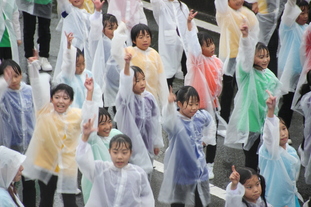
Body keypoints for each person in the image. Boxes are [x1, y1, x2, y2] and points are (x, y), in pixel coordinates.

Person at [22, 57, 96, 207]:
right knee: (46, 200)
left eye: (65, 98)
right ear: (51, 99)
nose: (61, 101)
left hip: (67, 164)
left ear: (70, 101)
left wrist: (89, 93)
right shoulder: (44, 111)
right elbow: (36, 88)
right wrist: (34, 68)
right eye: (57, 97)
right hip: (47, 162)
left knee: (69, 202)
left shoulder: (76, 114)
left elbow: (88, 117)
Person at [225, 23, 282, 171]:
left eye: (267, 56)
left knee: (264, 159)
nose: (265, 60)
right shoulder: (246, 74)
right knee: (251, 159)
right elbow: (244, 58)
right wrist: (245, 39)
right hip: (250, 124)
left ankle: (259, 186)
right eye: (260, 56)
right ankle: (249, 186)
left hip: (265, 124)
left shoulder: (269, 74)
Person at [158, 86, 215, 207]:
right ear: (179, 103)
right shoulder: (176, 122)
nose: (194, 108)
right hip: (181, 168)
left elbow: (211, 123)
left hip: (198, 167)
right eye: (190, 104)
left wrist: (205, 140)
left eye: (196, 103)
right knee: (179, 200)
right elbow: (167, 122)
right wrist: (169, 105)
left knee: (201, 199)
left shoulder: (200, 116)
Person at [184, 10, 224, 179]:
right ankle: (193, 162)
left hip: (212, 105)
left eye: (212, 43)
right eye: (207, 45)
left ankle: (209, 164)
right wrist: (190, 25)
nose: (212, 47)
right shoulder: (196, 61)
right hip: (196, 105)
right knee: (195, 134)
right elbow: (191, 44)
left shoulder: (216, 61)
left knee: (212, 134)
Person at [76, 127, 155, 206]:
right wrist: (84, 138)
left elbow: (147, 199)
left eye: (124, 152)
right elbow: (82, 160)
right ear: (109, 151)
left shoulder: (139, 174)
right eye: (115, 152)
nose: (119, 157)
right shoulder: (101, 169)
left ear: (130, 153)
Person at [114, 52, 163, 175]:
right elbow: (124, 84)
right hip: (129, 146)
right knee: (130, 176)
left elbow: (155, 122)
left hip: (147, 144)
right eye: (137, 81)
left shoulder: (149, 98)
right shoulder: (126, 100)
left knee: (145, 176)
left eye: (143, 79)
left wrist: (156, 143)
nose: (142, 83)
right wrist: (127, 64)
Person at [215, 0, 259, 123]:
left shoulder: (248, 14)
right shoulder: (225, 12)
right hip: (229, 57)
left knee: (242, 91)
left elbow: (255, 36)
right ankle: (224, 119)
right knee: (227, 90)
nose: (239, 1)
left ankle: (239, 120)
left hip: (244, 58)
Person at [0, 60, 36, 207]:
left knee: (30, 182)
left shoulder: (28, 91)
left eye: (17, 75)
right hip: (10, 146)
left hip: (29, 145)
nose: (14, 80)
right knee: (11, 182)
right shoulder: (4, 94)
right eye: (9, 77)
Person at [111, 22, 169, 110]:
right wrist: (120, 29)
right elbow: (115, 52)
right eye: (141, 37)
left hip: (151, 100)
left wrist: (166, 105)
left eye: (148, 36)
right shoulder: (129, 51)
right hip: (133, 100)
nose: (145, 40)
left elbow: (162, 80)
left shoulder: (155, 54)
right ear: (134, 40)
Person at [259, 91, 301, 207]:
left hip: (290, 198)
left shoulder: (291, 150)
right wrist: (271, 112)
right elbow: (268, 135)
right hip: (273, 200)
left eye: (284, 128)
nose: (282, 133)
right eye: (277, 131)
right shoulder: (270, 151)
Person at [277, 0, 309, 130]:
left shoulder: (307, 28)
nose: (305, 16)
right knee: (288, 103)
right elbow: (288, 9)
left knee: (307, 103)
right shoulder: (288, 26)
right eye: (302, 12)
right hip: (288, 73)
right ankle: (282, 131)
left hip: (304, 73)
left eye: (307, 12)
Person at [81, 107, 122, 203]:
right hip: (95, 185)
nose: (108, 126)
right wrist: (90, 95)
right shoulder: (92, 141)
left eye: (109, 122)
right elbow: (87, 118)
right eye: (102, 124)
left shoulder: (116, 135)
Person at [151, 0, 195, 87]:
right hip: (169, 46)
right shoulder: (161, 6)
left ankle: (186, 96)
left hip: (184, 45)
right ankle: (167, 97)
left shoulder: (183, 6)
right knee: (168, 73)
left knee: (188, 71)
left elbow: (192, 27)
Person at [54, 32, 103, 108]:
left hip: (87, 112)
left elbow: (96, 91)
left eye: (83, 63)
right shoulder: (66, 77)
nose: (81, 67)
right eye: (78, 65)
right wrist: (69, 48)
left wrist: (98, 108)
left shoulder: (88, 74)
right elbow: (68, 63)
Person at [89, 1, 121, 114]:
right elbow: (95, 29)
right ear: (102, 29)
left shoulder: (120, 42)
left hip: (116, 81)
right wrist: (97, 12)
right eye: (110, 28)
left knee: (119, 108)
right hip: (103, 81)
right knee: (102, 109)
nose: (114, 31)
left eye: (116, 28)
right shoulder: (99, 41)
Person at [16, 0, 52, 71]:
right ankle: (30, 55)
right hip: (28, 2)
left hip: (45, 2)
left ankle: (43, 55)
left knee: (45, 28)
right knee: (29, 28)